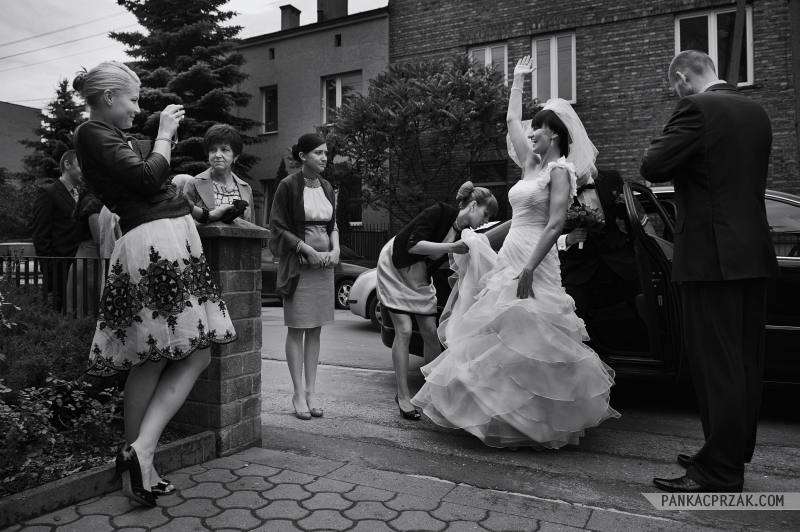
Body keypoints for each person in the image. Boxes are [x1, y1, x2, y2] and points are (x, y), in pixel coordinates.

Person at [411, 56, 619, 449]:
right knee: (502, 330)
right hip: (511, 253)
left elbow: (555, 224)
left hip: (536, 257)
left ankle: (539, 424)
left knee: (535, 333)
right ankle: (502, 416)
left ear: (555, 136)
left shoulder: (560, 171)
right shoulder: (529, 163)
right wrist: (519, 80)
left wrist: (529, 269)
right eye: (533, 126)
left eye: (539, 128)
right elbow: (510, 120)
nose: (532, 132)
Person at [72, 61, 238, 507]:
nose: (136, 107)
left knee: (150, 357)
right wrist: (164, 133)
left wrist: (206, 214)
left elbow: (155, 187)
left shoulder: (107, 135)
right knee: (196, 354)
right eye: (132, 98)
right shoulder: (92, 133)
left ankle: (140, 467)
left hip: (161, 236)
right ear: (109, 97)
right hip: (156, 242)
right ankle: (142, 451)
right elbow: (148, 177)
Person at [641, 50, 779, 493]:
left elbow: (653, 165)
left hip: (710, 258)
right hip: (752, 254)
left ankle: (719, 470)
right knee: (743, 364)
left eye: (673, 87)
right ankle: (729, 452)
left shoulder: (696, 108)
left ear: (683, 78)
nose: (675, 94)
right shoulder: (757, 113)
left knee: (716, 365)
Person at [377, 183, 498, 420]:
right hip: (396, 265)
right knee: (404, 330)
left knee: (431, 332)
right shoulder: (439, 211)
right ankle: (403, 396)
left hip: (420, 274)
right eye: (486, 214)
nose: (485, 221)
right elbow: (414, 244)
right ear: (473, 205)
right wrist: (452, 246)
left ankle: (433, 394)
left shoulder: (466, 234)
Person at [269, 133, 339, 420]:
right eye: (318, 153)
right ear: (302, 156)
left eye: (326, 153)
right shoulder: (288, 185)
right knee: (297, 328)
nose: (324, 158)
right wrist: (306, 249)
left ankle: (312, 392)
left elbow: (333, 225)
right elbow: (277, 226)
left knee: (316, 329)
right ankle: (298, 393)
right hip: (299, 266)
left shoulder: (327, 187)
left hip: (323, 268)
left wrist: (335, 250)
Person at [31, 150, 81, 310]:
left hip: (81, 267)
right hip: (59, 271)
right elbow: (40, 235)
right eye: (81, 165)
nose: (85, 171)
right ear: (67, 164)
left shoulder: (83, 195)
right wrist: (50, 269)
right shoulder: (48, 193)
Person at [183, 124, 255, 224]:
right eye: (212, 149)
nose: (217, 155)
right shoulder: (193, 184)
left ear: (235, 156)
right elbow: (184, 223)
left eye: (224, 149)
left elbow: (252, 227)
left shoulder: (246, 189)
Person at [65, 186, 104, 315]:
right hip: (90, 263)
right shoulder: (92, 202)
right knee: (87, 311)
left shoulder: (88, 199)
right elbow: (98, 238)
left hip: (87, 259)